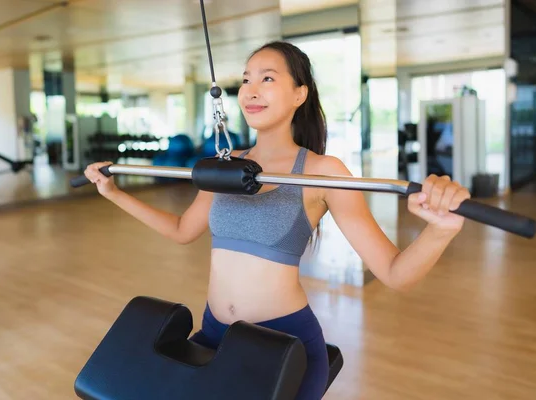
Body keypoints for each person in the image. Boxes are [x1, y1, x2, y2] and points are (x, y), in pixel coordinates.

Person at [82, 41, 470, 400]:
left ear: (299, 94)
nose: (251, 90)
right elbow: (184, 230)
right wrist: (114, 193)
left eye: (268, 78)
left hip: (284, 345)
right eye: (246, 80)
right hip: (214, 336)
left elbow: (395, 273)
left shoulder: (322, 172)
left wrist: (441, 229)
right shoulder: (225, 168)